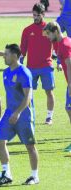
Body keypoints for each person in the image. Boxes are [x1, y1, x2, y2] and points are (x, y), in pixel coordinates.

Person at [0, 44, 39, 186]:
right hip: (9, 113)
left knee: (30, 146)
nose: (3, 56)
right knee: (0, 140)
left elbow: (28, 96)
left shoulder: (24, 72)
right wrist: (11, 113)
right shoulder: (5, 72)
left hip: (24, 114)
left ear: (15, 55)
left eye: (6, 54)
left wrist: (18, 113)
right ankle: (6, 173)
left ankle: (34, 176)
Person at [20, 3, 55, 125]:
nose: (35, 17)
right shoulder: (27, 30)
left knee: (49, 92)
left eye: (37, 15)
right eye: (33, 15)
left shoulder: (49, 29)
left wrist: (58, 59)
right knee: (28, 93)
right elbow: (22, 50)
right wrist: (19, 62)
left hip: (46, 66)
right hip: (31, 68)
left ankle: (49, 117)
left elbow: (56, 44)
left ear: (43, 14)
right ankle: (30, 115)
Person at [43, 21, 71, 152]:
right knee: (68, 108)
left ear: (55, 32)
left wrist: (70, 85)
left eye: (48, 34)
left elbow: (69, 64)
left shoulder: (64, 45)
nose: (47, 37)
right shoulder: (63, 41)